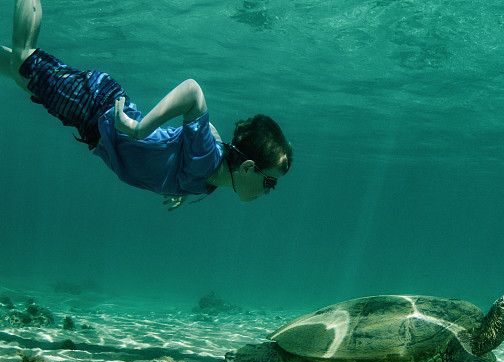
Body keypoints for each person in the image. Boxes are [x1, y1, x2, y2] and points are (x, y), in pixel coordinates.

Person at [1, 0, 292, 210]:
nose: (268, 192)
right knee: (24, 60)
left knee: (22, 73)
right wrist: (140, 129)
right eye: (270, 182)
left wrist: (184, 191)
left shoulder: (211, 176)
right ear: (249, 168)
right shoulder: (206, 159)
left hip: (97, 119)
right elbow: (192, 92)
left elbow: (205, 136)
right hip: (96, 107)